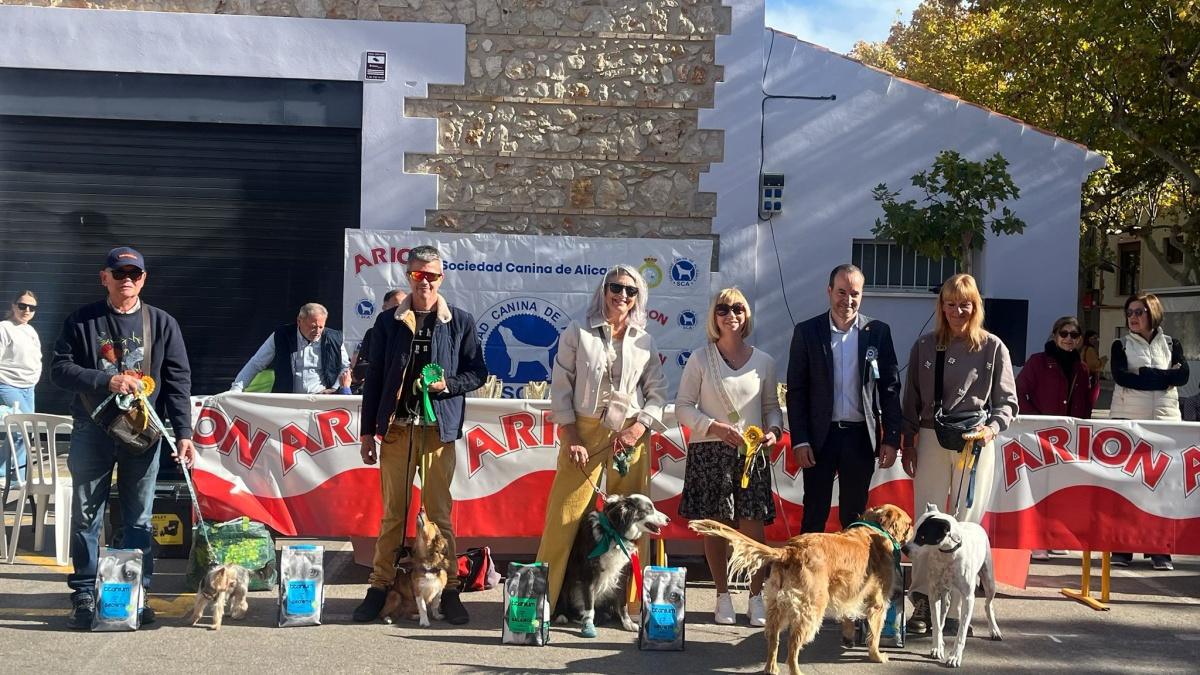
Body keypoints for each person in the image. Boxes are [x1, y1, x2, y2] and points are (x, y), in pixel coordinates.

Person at [50, 247, 195, 629]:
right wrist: (106, 379)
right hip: (90, 430)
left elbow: (179, 382)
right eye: (119, 273)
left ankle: (135, 592)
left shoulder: (162, 324)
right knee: (85, 515)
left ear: (144, 279)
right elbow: (59, 370)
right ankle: (84, 591)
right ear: (104, 277)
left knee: (139, 518)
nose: (126, 279)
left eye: (134, 273)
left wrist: (184, 433)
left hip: (142, 435)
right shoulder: (82, 321)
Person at [353, 246, 488, 624]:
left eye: (432, 275)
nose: (425, 282)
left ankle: (450, 590)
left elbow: (478, 372)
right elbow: (374, 378)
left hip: (438, 432)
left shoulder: (458, 321)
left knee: (440, 516)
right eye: (417, 275)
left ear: (441, 278)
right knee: (392, 515)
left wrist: (447, 385)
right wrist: (367, 433)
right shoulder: (387, 323)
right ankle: (378, 588)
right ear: (408, 277)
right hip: (397, 430)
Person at [535, 264, 667, 637]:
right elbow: (560, 387)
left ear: (638, 297)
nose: (622, 296)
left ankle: (628, 607)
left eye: (630, 291)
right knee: (564, 516)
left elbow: (657, 393)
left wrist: (639, 428)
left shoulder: (645, 340)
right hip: (584, 429)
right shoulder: (577, 332)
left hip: (631, 435)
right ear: (604, 289)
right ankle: (544, 601)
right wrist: (571, 435)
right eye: (615, 287)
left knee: (639, 521)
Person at [901, 273, 1018, 635]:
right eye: (950, 303)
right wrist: (908, 441)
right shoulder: (924, 346)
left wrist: (991, 429)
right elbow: (911, 399)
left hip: (975, 441)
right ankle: (922, 601)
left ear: (976, 306)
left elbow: (1007, 403)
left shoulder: (993, 347)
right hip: (932, 435)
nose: (957, 310)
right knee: (927, 519)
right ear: (941, 307)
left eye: (964, 303)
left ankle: (955, 605)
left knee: (965, 523)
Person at [676, 288, 782, 627]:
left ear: (747, 314)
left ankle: (755, 597)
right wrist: (714, 427)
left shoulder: (764, 361)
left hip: (750, 456)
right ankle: (722, 595)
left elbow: (771, 409)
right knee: (716, 529)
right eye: (723, 308)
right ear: (714, 317)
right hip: (710, 452)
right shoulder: (699, 359)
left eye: (738, 308)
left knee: (753, 530)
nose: (731, 314)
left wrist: (774, 432)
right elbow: (682, 407)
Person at [787, 264, 902, 536]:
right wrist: (800, 439)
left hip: (859, 438)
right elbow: (797, 390)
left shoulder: (878, 332)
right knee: (814, 514)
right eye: (841, 292)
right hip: (818, 439)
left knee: (855, 518)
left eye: (854, 294)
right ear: (829, 292)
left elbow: (890, 388)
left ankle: (849, 578)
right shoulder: (807, 332)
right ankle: (807, 577)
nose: (847, 301)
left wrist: (892, 438)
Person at [1109, 292, 1190, 571]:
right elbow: (1122, 377)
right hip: (1129, 422)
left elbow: (1183, 376)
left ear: (1152, 314)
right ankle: (1122, 546)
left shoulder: (1171, 344)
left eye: (1139, 312)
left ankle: (1159, 549)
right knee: (1127, 484)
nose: (1133, 317)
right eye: (1130, 312)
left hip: (1166, 421)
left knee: (1161, 485)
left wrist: (1147, 376)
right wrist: (1162, 378)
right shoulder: (1120, 344)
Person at [1016, 316, 1096, 561]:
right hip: (1038, 436)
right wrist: (1039, 422)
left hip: (1068, 439)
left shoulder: (1081, 368)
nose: (1068, 339)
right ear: (1054, 335)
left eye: (1074, 335)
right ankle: (1036, 540)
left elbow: (1084, 403)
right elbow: (1020, 394)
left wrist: (1080, 429)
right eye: (1064, 333)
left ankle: (1054, 537)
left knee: (1062, 490)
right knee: (1039, 489)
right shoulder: (1038, 362)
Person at [229, 303, 350, 394]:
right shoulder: (281, 335)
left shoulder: (335, 338)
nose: (317, 331)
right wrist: (236, 390)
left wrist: (334, 389)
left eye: (321, 327)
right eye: (312, 327)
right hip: (287, 403)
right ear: (299, 321)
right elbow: (256, 363)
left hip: (321, 402)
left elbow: (345, 367)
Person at [0, 290, 42, 482]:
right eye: (22, 305)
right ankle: (13, 477)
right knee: (21, 432)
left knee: (25, 432)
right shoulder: (4, 328)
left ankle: (14, 473)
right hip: (8, 385)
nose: (26, 310)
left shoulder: (30, 330)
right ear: (13, 306)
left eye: (31, 307)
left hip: (28, 388)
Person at [349, 289, 405, 393]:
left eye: (404, 307)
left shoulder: (412, 334)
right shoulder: (372, 334)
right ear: (385, 307)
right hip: (379, 389)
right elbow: (359, 370)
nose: (400, 310)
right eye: (396, 306)